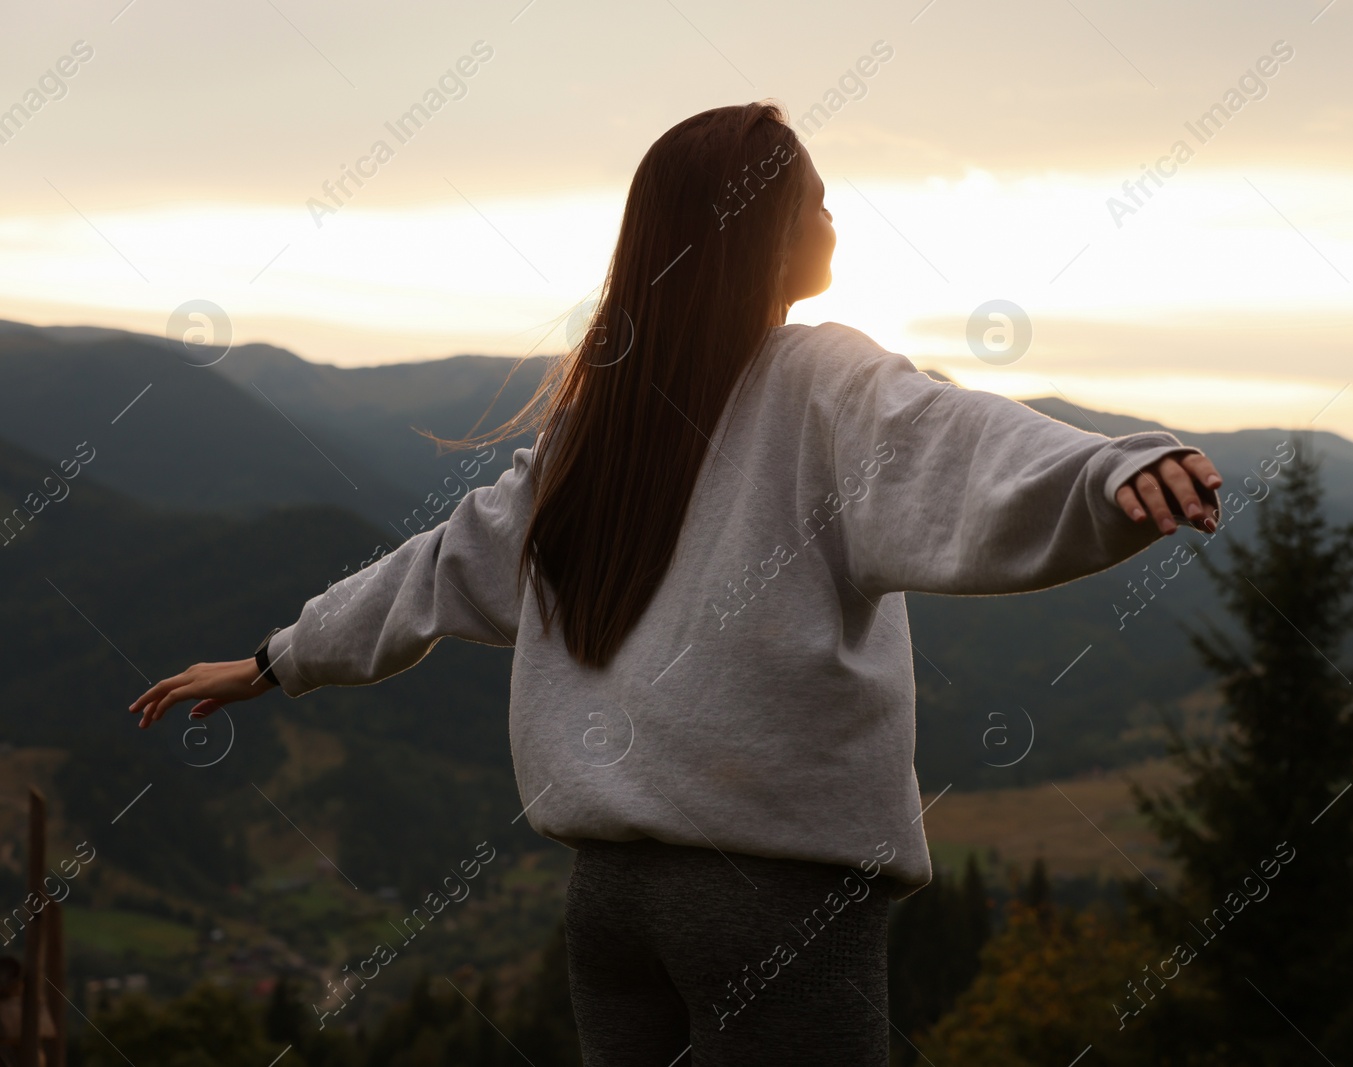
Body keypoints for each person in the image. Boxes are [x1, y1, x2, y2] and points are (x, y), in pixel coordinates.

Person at [129, 101, 1222, 1065]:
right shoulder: (819, 377)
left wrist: (276, 659)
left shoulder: (598, 423)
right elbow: (962, 442)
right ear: (754, 226)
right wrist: (1113, 467)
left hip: (610, 901)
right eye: (816, 200)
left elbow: (437, 566)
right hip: (776, 899)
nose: (836, 220)